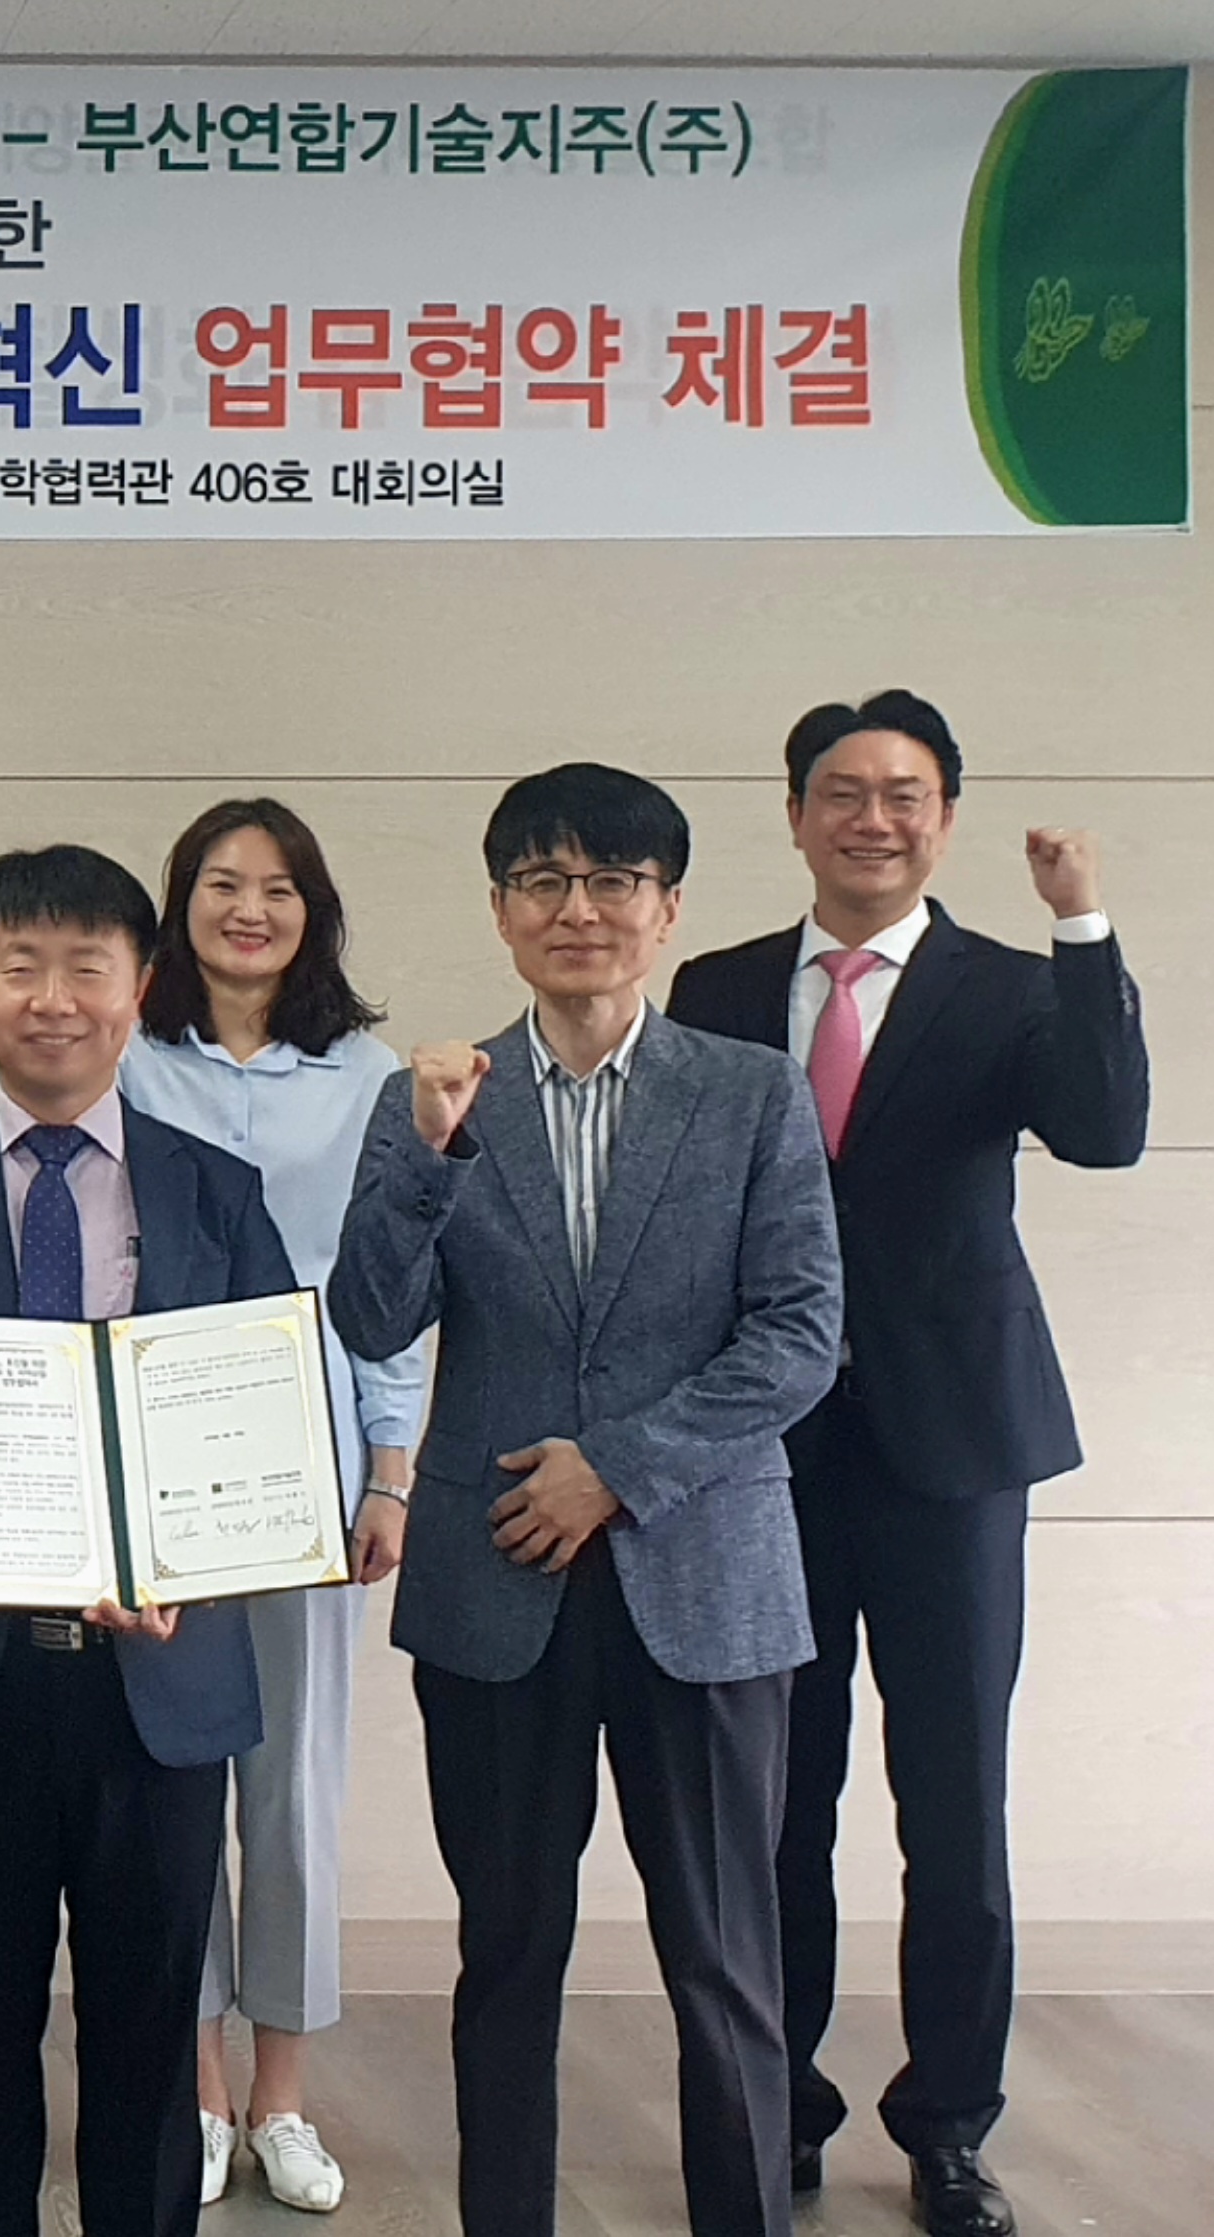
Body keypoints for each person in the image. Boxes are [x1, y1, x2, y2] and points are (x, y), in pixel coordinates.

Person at [330, 764, 843, 2237]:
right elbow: (372, 1315)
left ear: (667, 910)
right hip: (496, 1591)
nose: (579, 908)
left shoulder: (749, 1091)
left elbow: (801, 1331)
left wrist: (616, 1466)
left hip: (708, 1580)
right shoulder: (436, 1096)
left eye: (614, 880)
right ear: (501, 910)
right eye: (544, 880)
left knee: (726, 1959)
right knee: (506, 1953)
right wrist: (425, 1155)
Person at [668, 692, 1146, 2237]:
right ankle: (778, 2103)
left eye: (904, 793)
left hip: (954, 1447)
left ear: (944, 817)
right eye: (842, 791)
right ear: (795, 813)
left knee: (954, 1807)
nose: (872, 818)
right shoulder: (719, 984)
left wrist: (1083, 925)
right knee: (774, 1799)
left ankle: (949, 2126)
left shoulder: (1013, 984)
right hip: (766, 1452)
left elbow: (1108, 1131)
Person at [0, 845, 299, 2237]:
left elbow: (262, 1422)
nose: (54, 997)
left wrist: (190, 1567)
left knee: (148, 2042)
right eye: (19, 965)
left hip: (161, 1676)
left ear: (140, 988)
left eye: (88, 965)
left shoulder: (214, 1188)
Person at [118, 799, 425, 2215]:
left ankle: (284, 2097)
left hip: (307, 1448)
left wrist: (390, 1467)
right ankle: (192, 2089)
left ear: (315, 912)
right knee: (174, 1771)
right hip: (157, 1446)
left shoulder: (368, 1077)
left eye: (280, 888)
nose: (250, 910)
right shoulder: (125, 1054)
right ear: (180, 903)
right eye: (223, 884)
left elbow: (391, 1288)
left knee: (296, 1781)